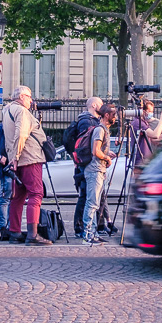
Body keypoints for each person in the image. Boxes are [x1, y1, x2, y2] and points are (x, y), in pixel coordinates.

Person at [4, 86, 52, 245]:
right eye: (29, 97)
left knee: (18, 197)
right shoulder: (22, 111)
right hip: (30, 158)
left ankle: (15, 232)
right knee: (36, 194)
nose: (31, 101)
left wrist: (13, 158)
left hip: (17, 160)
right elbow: (21, 134)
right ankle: (32, 235)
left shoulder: (7, 111)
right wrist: (16, 157)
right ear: (22, 97)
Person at [64, 98, 103, 238]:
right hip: (86, 163)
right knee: (86, 196)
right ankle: (80, 227)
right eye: (100, 104)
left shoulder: (91, 120)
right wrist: (86, 159)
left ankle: (94, 226)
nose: (102, 107)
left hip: (87, 162)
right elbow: (84, 143)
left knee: (90, 196)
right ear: (93, 105)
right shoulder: (87, 121)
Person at [82, 104, 118, 245]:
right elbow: (95, 151)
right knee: (92, 203)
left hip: (99, 170)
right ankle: (87, 235)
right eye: (113, 114)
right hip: (95, 170)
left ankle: (93, 233)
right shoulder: (99, 130)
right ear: (106, 115)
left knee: (95, 203)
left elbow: (99, 150)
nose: (115, 117)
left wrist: (107, 153)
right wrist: (107, 157)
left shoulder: (103, 130)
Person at [130, 98, 162, 166]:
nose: (151, 113)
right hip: (141, 161)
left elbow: (154, 139)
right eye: (149, 111)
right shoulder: (138, 123)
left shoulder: (143, 122)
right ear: (143, 111)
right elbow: (155, 135)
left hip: (146, 160)